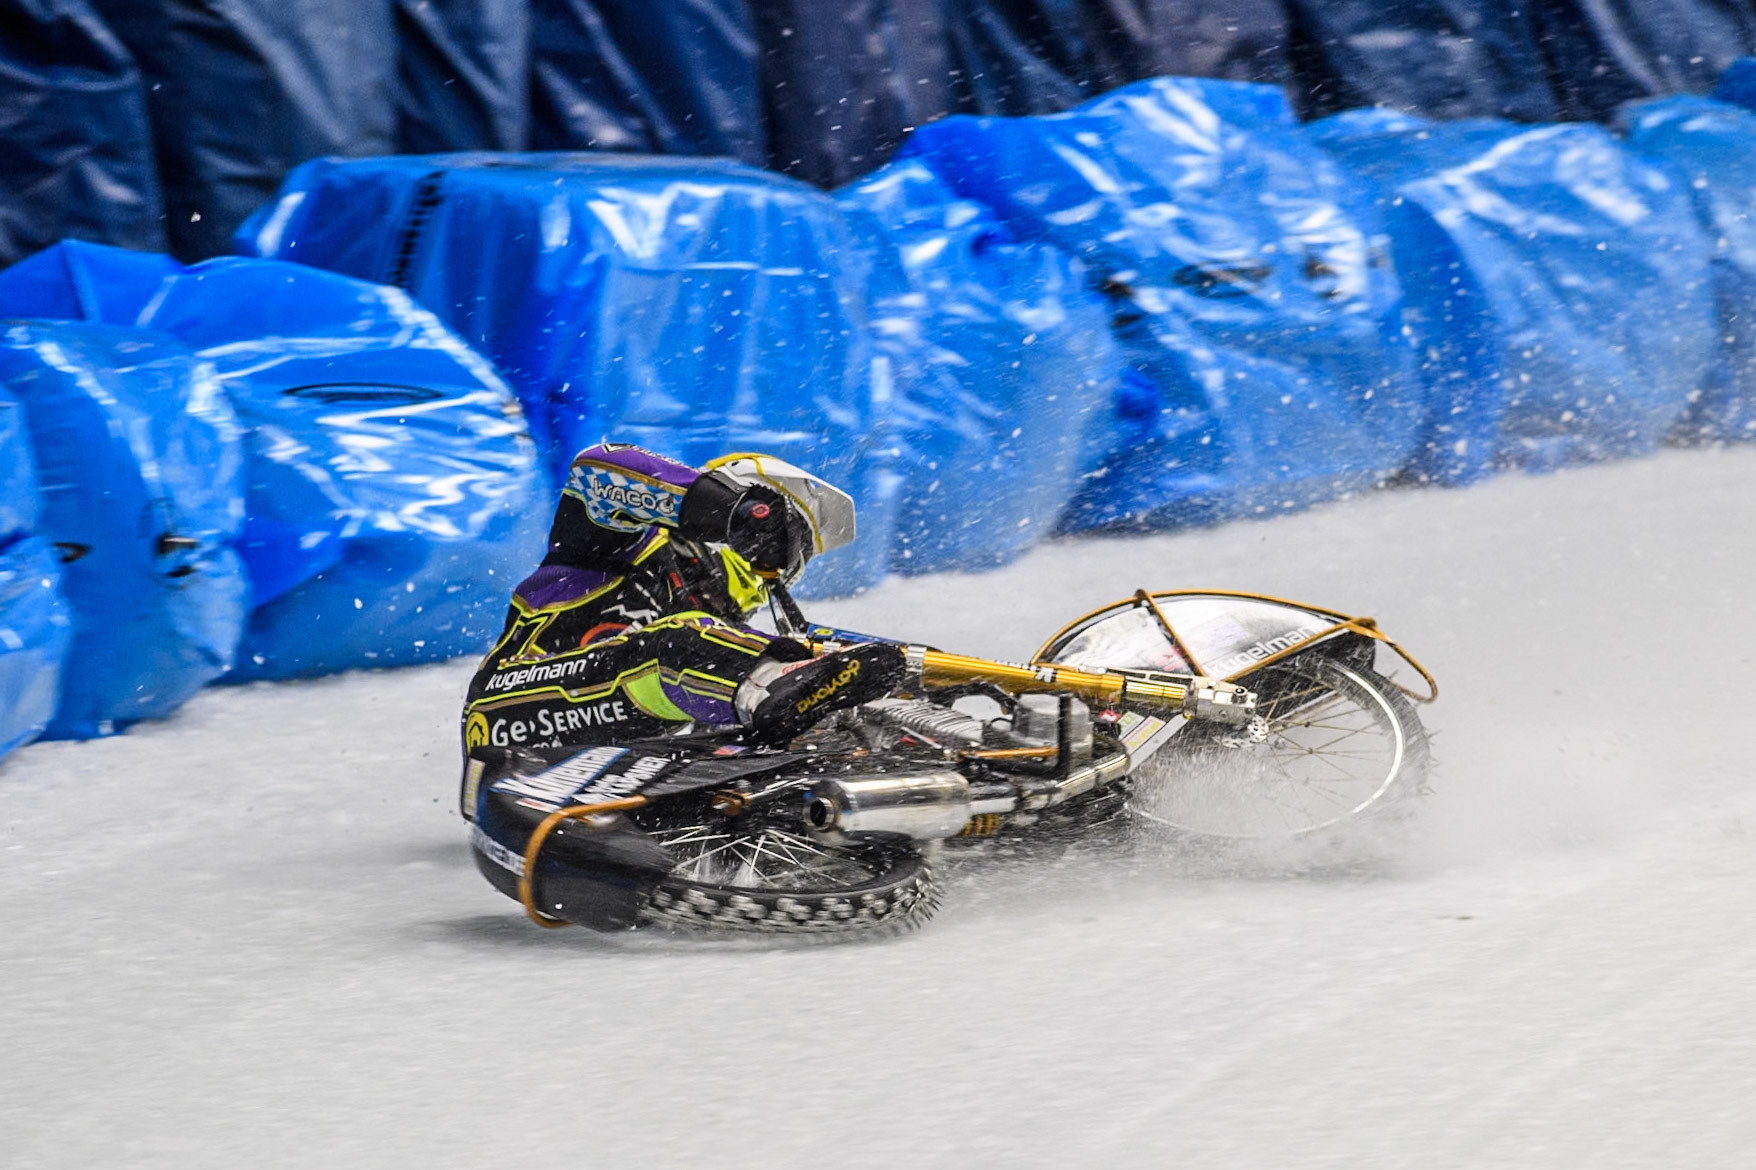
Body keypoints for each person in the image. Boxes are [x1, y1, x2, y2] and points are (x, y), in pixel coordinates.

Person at [461, 442, 903, 755]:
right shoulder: (623, 542)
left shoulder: (717, 639)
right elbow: (597, 469)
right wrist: (736, 511)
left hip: (609, 768)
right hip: (509, 709)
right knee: (679, 644)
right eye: (780, 553)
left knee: (773, 688)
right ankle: (770, 686)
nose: (772, 577)